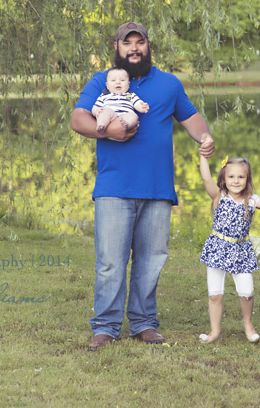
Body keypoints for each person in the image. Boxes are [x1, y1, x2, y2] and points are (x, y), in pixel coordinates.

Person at [71, 21, 215, 351]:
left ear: (148, 45)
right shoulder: (103, 82)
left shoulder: (168, 84)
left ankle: (143, 322)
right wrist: (108, 131)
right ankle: (106, 326)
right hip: (114, 186)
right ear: (117, 47)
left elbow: (191, 119)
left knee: (151, 260)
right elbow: (78, 119)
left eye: (140, 42)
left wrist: (205, 138)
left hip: (157, 188)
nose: (134, 48)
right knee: (110, 261)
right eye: (127, 43)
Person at [198, 146, 260, 344]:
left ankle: (248, 325)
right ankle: (214, 332)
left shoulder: (252, 200)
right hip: (218, 249)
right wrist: (203, 157)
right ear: (223, 179)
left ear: (247, 180)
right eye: (231, 177)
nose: (236, 181)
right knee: (215, 294)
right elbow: (206, 178)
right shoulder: (218, 196)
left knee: (247, 292)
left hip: (241, 251)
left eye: (241, 177)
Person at [91, 67, 149, 134]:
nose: (118, 82)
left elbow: (137, 103)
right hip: (110, 120)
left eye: (122, 80)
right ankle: (101, 125)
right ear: (107, 85)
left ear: (128, 84)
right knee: (104, 112)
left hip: (125, 116)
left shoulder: (129, 95)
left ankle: (126, 124)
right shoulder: (104, 95)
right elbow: (95, 107)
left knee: (133, 115)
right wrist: (96, 111)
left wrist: (142, 107)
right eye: (113, 80)